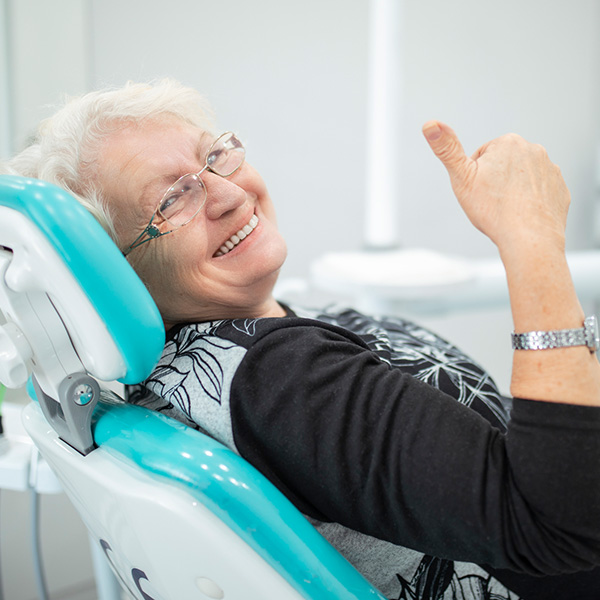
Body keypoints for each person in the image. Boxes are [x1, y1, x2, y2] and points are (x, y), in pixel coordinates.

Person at [4, 79, 600, 600]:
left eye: (215, 156)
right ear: (116, 272)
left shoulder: (224, 351)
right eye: (171, 199)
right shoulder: (281, 377)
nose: (230, 194)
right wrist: (532, 237)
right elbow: (564, 520)